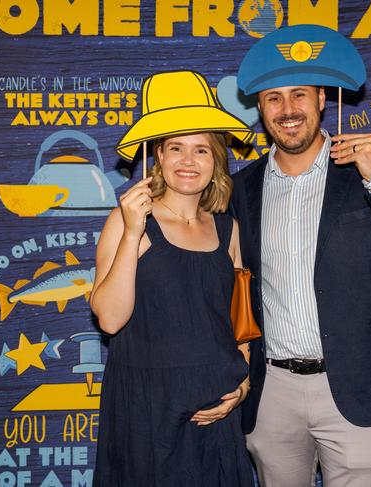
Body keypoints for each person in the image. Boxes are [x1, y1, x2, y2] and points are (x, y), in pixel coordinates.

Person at [230, 25, 371, 486]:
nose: (287, 111)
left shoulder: (370, 171)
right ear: (260, 108)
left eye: (299, 95)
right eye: (274, 98)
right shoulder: (241, 189)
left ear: (323, 99)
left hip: (359, 383)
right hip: (272, 391)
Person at [90, 70, 255, 486]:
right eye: (175, 148)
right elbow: (109, 319)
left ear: (216, 159)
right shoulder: (127, 223)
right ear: (157, 157)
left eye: (201, 149)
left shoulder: (227, 230)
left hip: (216, 412)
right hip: (148, 412)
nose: (187, 160)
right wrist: (132, 231)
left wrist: (244, 384)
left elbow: (241, 324)